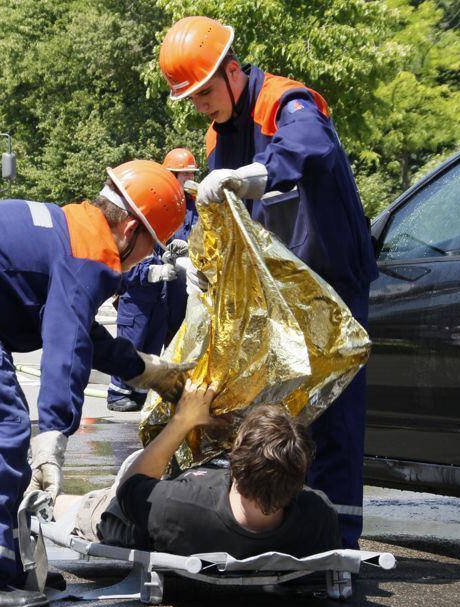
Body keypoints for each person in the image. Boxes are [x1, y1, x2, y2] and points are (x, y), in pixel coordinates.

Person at [0, 160, 194, 607]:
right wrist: (53, 435)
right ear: (131, 228)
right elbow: (66, 341)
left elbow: (75, 329)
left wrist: (145, 370)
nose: (143, 259)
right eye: (150, 245)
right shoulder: (94, 251)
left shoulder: (77, 230)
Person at [158, 16, 379, 548]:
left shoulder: (285, 103)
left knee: (334, 411)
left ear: (233, 71)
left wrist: (252, 175)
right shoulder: (220, 134)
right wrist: (197, 262)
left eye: (207, 91)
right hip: (280, 293)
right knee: (273, 415)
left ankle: (338, 541)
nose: (202, 105)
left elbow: (311, 149)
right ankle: (280, 527)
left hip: (332, 283)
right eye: (191, 98)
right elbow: (220, 215)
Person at [56, 383, 340, 559]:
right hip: (201, 495)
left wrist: (182, 422)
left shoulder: (179, 506)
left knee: (80, 503)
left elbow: (129, 489)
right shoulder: (318, 515)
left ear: (237, 464)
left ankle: (42, 498)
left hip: (125, 517)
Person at [107, 148, 201, 412]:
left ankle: (139, 391)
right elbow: (133, 253)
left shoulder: (193, 206)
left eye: (191, 174)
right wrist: (156, 269)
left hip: (168, 289)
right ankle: (118, 392)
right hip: (142, 289)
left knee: (155, 340)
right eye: (183, 175)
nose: (187, 180)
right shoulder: (153, 203)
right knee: (132, 341)